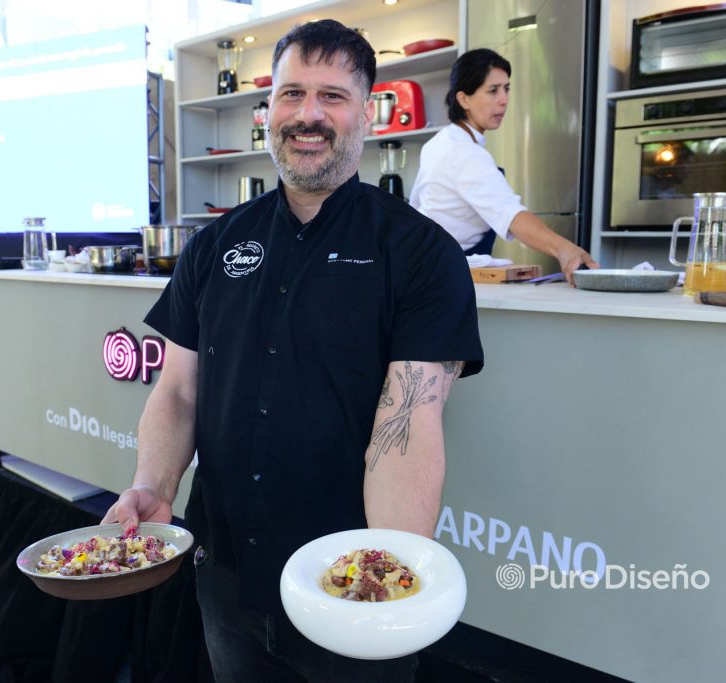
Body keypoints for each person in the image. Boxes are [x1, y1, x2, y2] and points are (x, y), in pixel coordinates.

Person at [102, 19, 484, 682]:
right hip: (224, 571)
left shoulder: (421, 254)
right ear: (268, 110)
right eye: (290, 94)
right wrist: (150, 485)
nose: (308, 115)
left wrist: (385, 569)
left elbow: (406, 427)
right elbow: (179, 391)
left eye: (332, 96)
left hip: (346, 585)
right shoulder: (216, 246)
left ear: (368, 112)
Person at [409, 48, 598, 285]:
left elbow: (415, 207)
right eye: (493, 90)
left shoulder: (439, 142)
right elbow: (510, 214)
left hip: (426, 266)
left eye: (506, 89)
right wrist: (564, 249)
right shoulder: (463, 152)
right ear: (463, 99)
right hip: (444, 273)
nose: (504, 99)